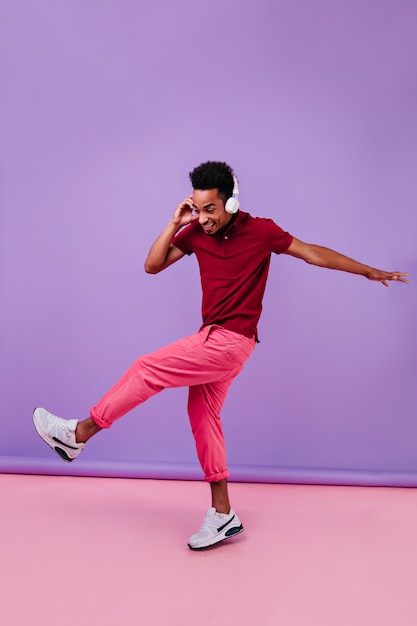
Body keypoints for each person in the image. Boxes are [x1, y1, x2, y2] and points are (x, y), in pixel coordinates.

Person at [33, 161, 409, 550]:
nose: (203, 217)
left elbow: (313, 253)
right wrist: (175, 222)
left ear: (230, 203)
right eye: (197, 208)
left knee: (147, 368)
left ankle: (79, 434)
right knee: (202, 416)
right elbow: (152, 266)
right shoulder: (195, 232)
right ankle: (222, 514)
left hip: (229, 341)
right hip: (216, 340)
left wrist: (367, 271)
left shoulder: (262, 231)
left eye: (209, 209)